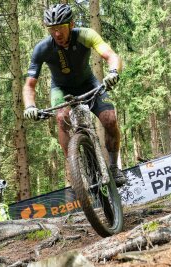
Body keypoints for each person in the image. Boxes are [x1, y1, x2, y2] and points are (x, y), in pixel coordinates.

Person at [22, 4, 126, 187]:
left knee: (109, 119)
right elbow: (30, 85)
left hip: (89, 84)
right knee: (62, 119)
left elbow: (110, 55)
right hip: (61, 89)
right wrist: (30, 106)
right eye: (52, 29)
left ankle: (114, 167)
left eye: (60, 28)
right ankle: (76, 167)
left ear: (71, 24)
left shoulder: (86, 35)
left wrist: (113, 72)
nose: (57, 34)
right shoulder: (42, 48)